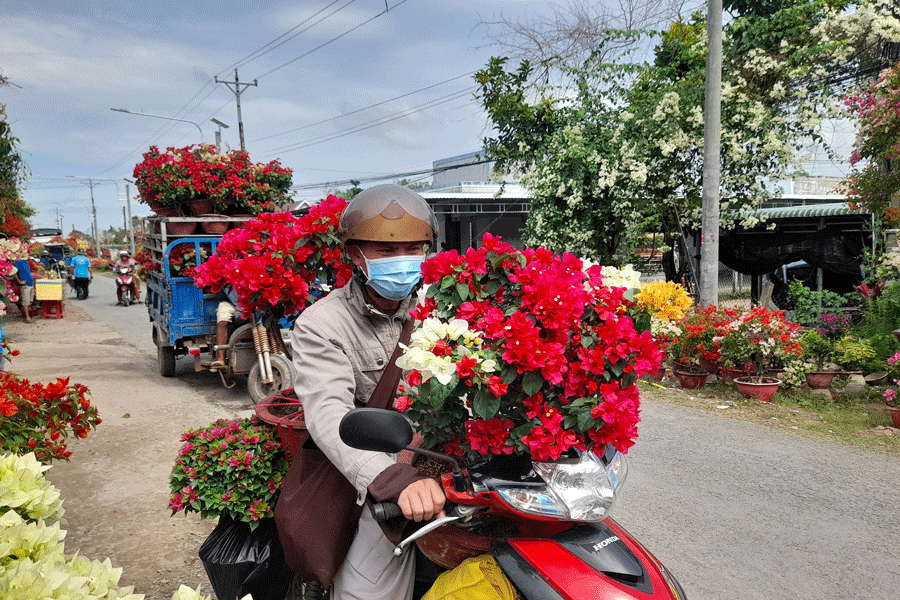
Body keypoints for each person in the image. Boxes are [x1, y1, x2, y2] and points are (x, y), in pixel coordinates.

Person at [285, 184, 445, 600]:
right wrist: (394, 478)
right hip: (380, 469)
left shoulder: (447, 306)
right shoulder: (322, 324)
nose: (402, 261)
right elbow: (329, 415)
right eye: (384, 251)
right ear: (355, 255)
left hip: (449, 459)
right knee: (373, 590)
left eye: (413, 249)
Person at [12, 257, 35, 323]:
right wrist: (19, 281)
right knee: (25, 302)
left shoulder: (26, 262)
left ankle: (25, 315)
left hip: (30, 284)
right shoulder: (19, 262)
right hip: (25, 286)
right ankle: (27, 318)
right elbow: (14, 272)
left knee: (29, 301)